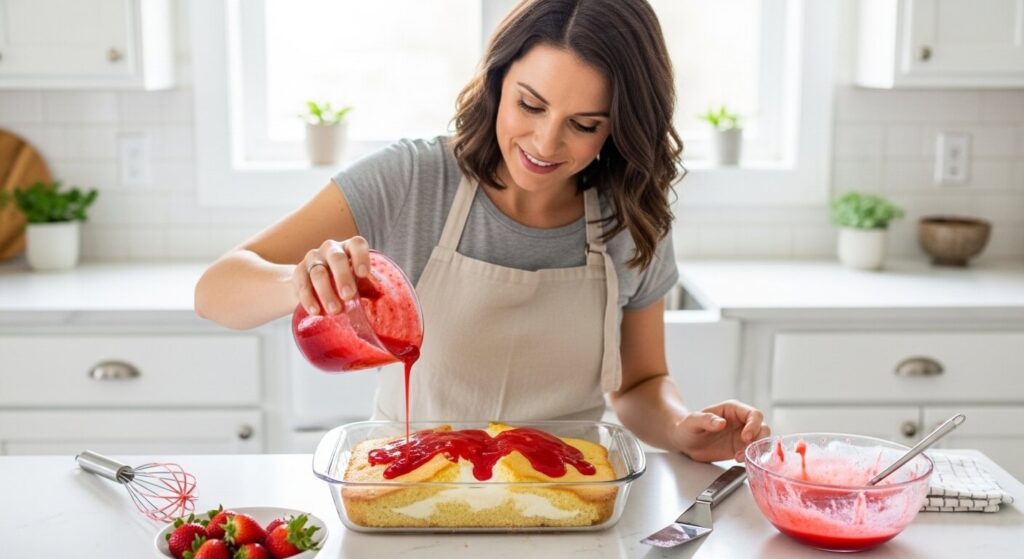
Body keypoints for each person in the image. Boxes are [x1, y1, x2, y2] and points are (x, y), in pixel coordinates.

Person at [195, 0, 769, 462]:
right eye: (530, 105)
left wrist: (681, 429)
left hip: (567, 501)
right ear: (499, 80)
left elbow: (640, 381)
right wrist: (302, 279)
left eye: (584, 124)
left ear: (620, 129)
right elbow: (216, 291)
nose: (546, 144)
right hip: (414, 491)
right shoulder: (414, 179)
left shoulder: (630, 214)